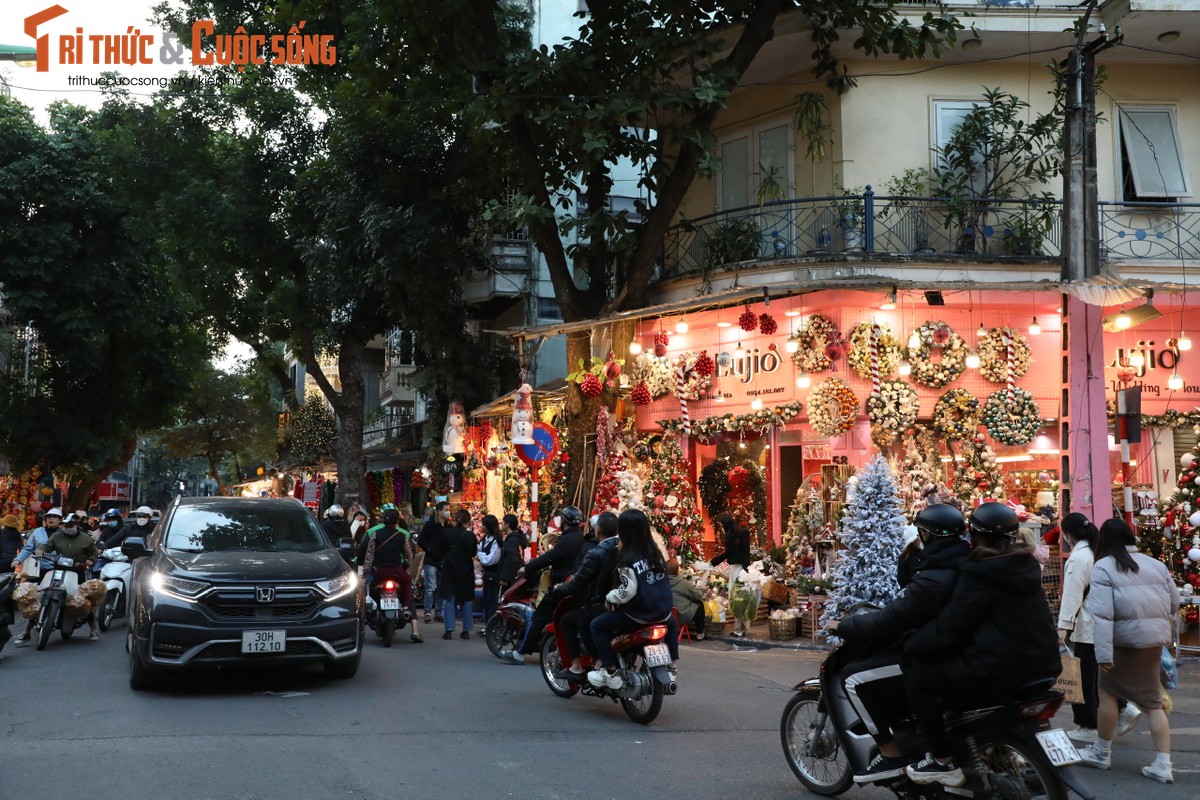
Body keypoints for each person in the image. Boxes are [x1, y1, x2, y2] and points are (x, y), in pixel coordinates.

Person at [901, 502, 1060, 787]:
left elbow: (949, 629)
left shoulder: (980, 571)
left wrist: (911, 643)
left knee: (919, 678)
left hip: (999, 670)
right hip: (1044, 664)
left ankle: (941, 760)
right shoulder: (1024, 566)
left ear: (972, 535)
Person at [826, 503, 970, 783]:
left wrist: (843, 625)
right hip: (957, 651)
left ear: (927, 536)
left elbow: (889, 621)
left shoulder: (933, 577)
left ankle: (890, 755)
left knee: (853, 678)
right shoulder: (963, 566)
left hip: (933, 654)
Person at [1077, 518, 1179, 784]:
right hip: (1153, 643)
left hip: (1121, 644)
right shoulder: (1156, 565)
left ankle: (1101, 752)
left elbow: (1103, 616)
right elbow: (1174, 603)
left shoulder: (1104, 567)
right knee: (1152, 701)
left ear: (1104, 541)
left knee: (1108, 694)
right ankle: (1163, 764)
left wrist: (1103, 654)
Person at [588, 508, 674, 690]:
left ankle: (609, 672)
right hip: (663, 609)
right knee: (672, 623)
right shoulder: (655, 553)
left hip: (639, 612)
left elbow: (628, 591)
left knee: (597, 625)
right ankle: (672, 665)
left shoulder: (627, 556)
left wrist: (610, 597)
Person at [505, 506, 586, 663]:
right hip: (573, 586)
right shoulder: (578, 538)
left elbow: (549, 557)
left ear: (564, 521)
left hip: (561, 587)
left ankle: (521, 653)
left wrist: (527, 567)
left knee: (539, 617)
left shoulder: (567, 540)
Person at [552, 511, 620, 682]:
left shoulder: (598, 552)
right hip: (629, 603)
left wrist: (561, 588)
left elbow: (580, 580)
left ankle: (580, 665)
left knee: (573, 621)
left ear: (597, 530)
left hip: (606, 602)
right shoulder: (626, 548)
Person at [357, 507, 422, 643]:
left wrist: (365, 572)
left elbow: (368, 556)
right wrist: (404, 567)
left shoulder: (375, 534)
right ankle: (405, 607)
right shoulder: (401, 535)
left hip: (379, 572)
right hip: (397, 571)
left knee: (371, 590)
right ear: (396, 522)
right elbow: (409, 557)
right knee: (407, 582)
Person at [41, 513, 102, 640]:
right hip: (58, 569)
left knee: (84, 597)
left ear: (76, 525)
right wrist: (40, 550)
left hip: (78, 570)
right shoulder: (56, 536)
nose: (68, 527)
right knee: (43, 592)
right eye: (66, 525)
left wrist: (91, 559)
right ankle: (28, 629)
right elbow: (46, 546)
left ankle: (93, 628)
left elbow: (93, 553)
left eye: (71, 525)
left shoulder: (86, 539)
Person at [439, 508, 478, 639]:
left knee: (450, 598)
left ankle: (449, 630)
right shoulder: (471, 536)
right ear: (468, 521)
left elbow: (442, 549)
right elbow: (473, 553)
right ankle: (466, 630)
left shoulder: (446, 533)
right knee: (466, 600)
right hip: (466, 570)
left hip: (450, 568)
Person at [710, 513, 751, 636]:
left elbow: (745, 552)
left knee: (740, 598)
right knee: (734, 599)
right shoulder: (730, 536)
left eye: (722, 525)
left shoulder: (742, 534)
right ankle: (739, 628)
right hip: (734, 569)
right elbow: (727, 553)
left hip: (741, 570)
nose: (721, 527)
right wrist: (712, 562)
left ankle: (742, 628)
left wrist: (745, 570)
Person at [417, 501, 450, 623]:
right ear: (439, 511)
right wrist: (430, 549)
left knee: (441, 588)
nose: (448, 512)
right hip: (431, 560)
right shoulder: (430, 525)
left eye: (448, 509)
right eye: (446, 509)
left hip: (444, 561)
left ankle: (438, 613)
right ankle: (427, 612)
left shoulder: (448, 526)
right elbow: (421, 541)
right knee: (430, 588)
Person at [667, 558, 706, 641]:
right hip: (680, 616)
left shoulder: (662, 582)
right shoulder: (682, 582)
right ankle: (699, 633)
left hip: (667, 615)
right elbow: (698, 595)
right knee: (699, 604)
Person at [477, 514, 503, 623]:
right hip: (486, 576)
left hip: (494, 576)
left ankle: (492, 626)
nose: (482, 526)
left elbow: (491, 559)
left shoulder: (496, 542)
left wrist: (480, 555)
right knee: (486, 601)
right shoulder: (484, 539)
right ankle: (487, 625)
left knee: (492, 602)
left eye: (484, 524)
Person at [496, 513, 527, 590]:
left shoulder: (511, 541)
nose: (501, 524)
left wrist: (504, 578)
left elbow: (511, 559)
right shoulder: (516, 538)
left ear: (507, 525)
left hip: (511, 579)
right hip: (516, 575)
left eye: (502, 522)